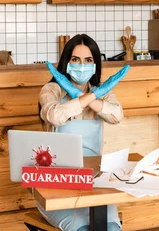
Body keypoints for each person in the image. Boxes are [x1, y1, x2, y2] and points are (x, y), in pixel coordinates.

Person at [38, 34, 130, 231]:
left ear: (96, 64)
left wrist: (92, 96)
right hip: (55, 184)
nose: (82, 65)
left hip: (93, 181)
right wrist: (86, 98)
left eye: (88, 60)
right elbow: (54, 115)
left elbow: (116, 115)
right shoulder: (51, 89)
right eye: (75, 59)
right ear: (66, 62)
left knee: (112, 228)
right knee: (83, 229)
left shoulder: (102, 91)